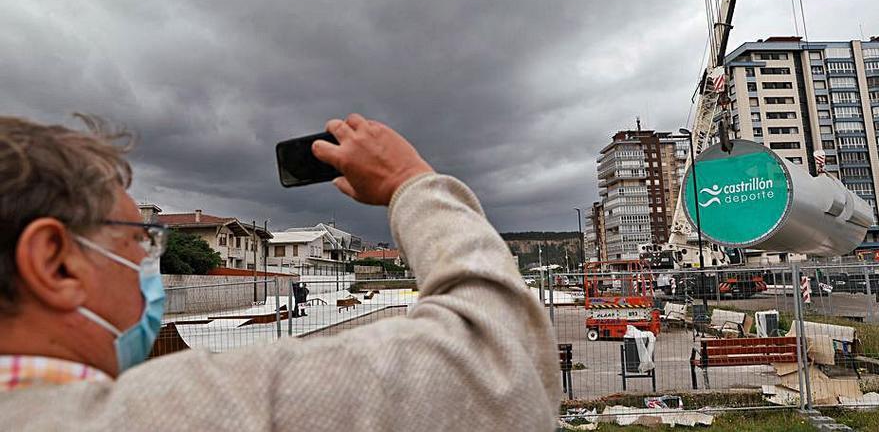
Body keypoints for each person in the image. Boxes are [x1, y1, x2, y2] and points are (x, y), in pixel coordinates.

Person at [0, 113, 559, 430]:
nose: (151, 266)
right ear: (55, 262)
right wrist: (411, 181)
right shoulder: (179, 411)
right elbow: (503, 368)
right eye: (140, 242)